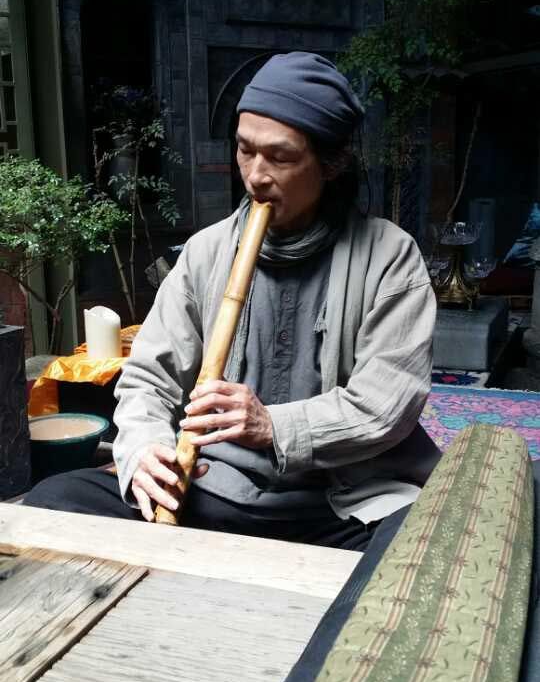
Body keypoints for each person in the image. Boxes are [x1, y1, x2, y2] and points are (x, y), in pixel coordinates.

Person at [24, 52, 440, 551]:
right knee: (54, 501)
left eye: (280, 158)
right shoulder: (206, 251)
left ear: (330, 164)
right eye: (245, 150)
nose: (256, 175)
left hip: (338, 503)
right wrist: (146, 451)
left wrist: (272, 425)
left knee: (429, 548)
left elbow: (384, 408)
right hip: (210, 487)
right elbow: (148, 380)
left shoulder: (390, 257)